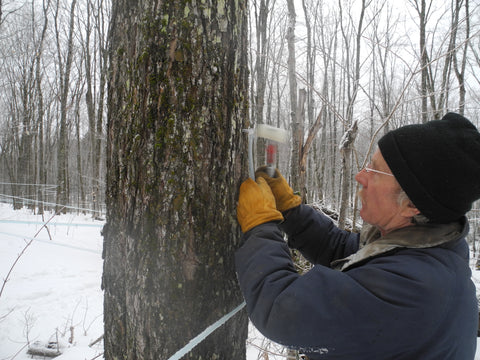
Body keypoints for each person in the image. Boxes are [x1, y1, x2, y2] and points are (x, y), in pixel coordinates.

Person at [235, 112, 480, 359]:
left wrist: (261, 224)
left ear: (411, 206)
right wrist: (291, 211)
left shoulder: (413, 290)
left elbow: (282, 309)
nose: (360, 176)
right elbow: (346, 250)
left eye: (375, 171)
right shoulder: (424, 252)